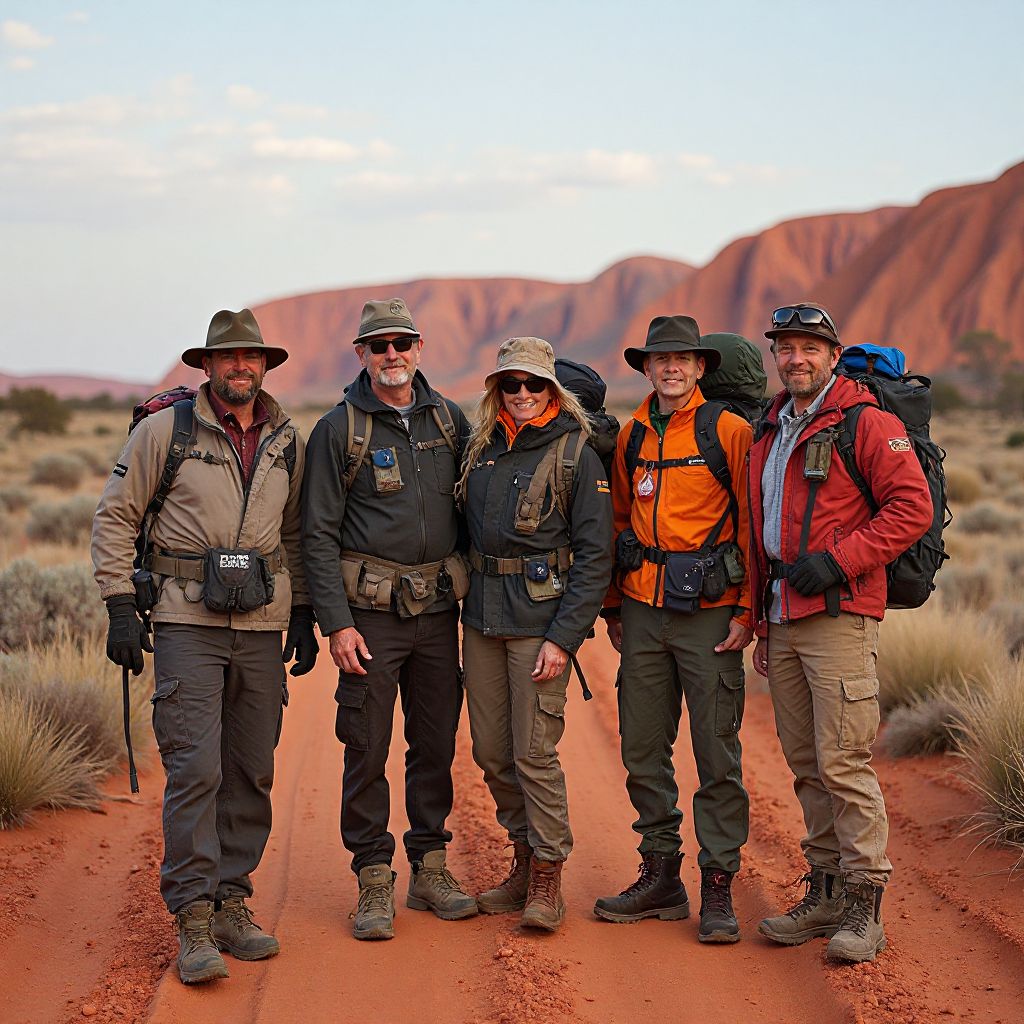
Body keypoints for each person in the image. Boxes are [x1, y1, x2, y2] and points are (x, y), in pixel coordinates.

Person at [92, 309, 318, 985]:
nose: (239, 367)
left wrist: (302, 610)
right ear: (207, 366)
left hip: (261, 624)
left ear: (266, 365)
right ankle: (192, 916)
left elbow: (299, 532)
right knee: (196, 769)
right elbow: (116, 515)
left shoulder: (286, 438)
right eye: (227, 358)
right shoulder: (168, 431)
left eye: (250, 358)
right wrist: (118, 607)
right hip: (186, 620)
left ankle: (232, 902)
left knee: (250, 768)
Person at [748, 303, 932, 963]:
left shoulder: (865, 422)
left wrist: (843, 559)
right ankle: (824, 893)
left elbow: (913, 506)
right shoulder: (770, 428)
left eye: (808, 348)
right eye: (785, 348)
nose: (795, 359)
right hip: (782, 616)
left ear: (831, 353)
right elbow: (759, 531)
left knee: (844, 763)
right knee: (805, 764)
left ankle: (864, 910)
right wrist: (757, 622)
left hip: (841, 618)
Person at [301, 297, 476, 941]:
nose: (393, 355)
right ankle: (374, 876)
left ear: (420, 347)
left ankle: (429, 866)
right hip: (370, 618)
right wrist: (335, 623)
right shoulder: (338, 429)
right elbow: (315, 534)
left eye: (402, 343)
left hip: (437, 612)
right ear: (362, 355)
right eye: (380, 346)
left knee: (433, 743)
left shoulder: (450, 421)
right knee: (366, 745)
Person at [594, 315, 753, 943]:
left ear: (701, 367)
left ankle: (718, 885)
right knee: (640, 746)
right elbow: (615, 521)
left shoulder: (728, 430)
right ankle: (661, 875)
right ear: (646, 367)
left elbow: (750, 522)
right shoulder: (631, 435)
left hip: (711, 611)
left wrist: (746, 611)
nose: (671, 368)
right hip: (642, 608)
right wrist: (611, 606)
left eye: (683, 358)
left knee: (716, 753)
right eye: (661, 359)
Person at [458, 337, 612, 932]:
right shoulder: (481, 448)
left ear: (553, 390)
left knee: (533, 751)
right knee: (491, 752)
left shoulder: (576, 453)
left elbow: (595, 558)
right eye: (511, 385)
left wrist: (563, 638)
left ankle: (548, 873)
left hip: (539, 625)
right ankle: (521, 860)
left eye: (534, 385)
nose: (522, 395)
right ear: (497, 389)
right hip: (482, 619)